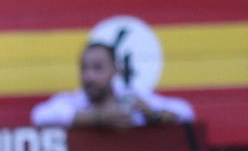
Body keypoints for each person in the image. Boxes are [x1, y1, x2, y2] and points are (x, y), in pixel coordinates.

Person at [30, 41, 194, 130]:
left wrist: (153, 117)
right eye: (84, 68)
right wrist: (99, 118)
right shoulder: (74, 100)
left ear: (116, 70)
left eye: (98, 68)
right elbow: (40, 116)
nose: (89, 76)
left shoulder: (130, 98)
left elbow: (186, 112)